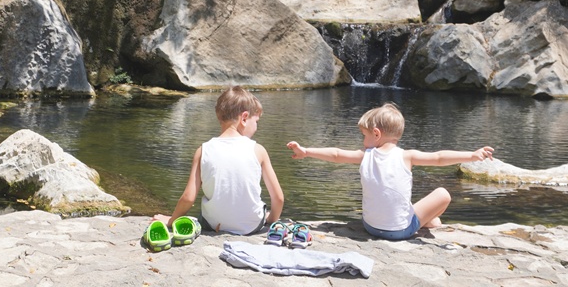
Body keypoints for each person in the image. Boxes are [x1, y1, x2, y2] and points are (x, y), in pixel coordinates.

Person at [286, 102, 494, 241]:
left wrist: (306, 151)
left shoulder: (364, 155)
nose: (363, 140)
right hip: (400, 231)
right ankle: (428, 221)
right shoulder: (407, 156)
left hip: (370, 227)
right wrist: (472, 155)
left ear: (376, 134)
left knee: (410, 206)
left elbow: (336, 154)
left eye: (364, 135)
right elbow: (439, 157)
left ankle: (427, 220)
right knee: (443, 194)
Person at [154, 86, 284, 235]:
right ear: (244, 118)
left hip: (213, 224)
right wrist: (271, 220)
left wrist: (171, 220)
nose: (256, 127)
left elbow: (188, 198)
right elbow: (278, 198)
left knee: (200, 215)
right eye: (256, 121)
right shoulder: (258, 150)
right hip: (252, 226)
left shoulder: (203, 151)